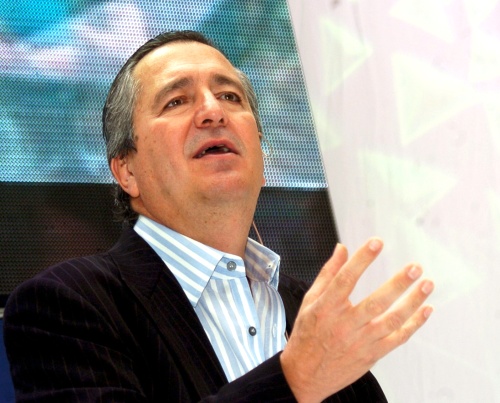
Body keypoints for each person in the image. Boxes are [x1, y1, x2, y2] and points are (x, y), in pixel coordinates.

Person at [3, 30, 434, 402]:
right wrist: (293, 380)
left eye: (230, 96)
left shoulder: (311, 313)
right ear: (126, 170)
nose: (214, 112)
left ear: (262, 158)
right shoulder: (66, 304)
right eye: (176, 101)